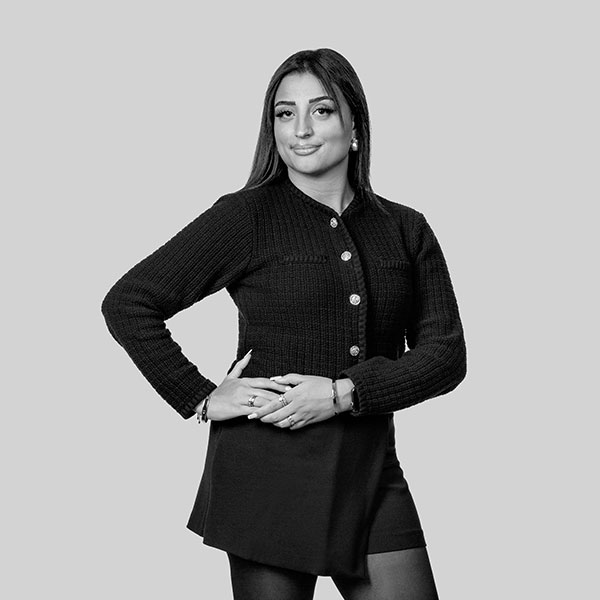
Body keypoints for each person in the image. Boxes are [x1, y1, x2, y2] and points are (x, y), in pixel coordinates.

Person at [101, 48, 467, 600]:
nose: (301, 130)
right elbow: (129, 302)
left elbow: (445, 356)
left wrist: (344, 393)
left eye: (321, 110)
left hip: (370, 473)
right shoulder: (245, 215)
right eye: (284, 113)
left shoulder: (405, 228)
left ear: (355, 126)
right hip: (264, 473)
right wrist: (200, 397)